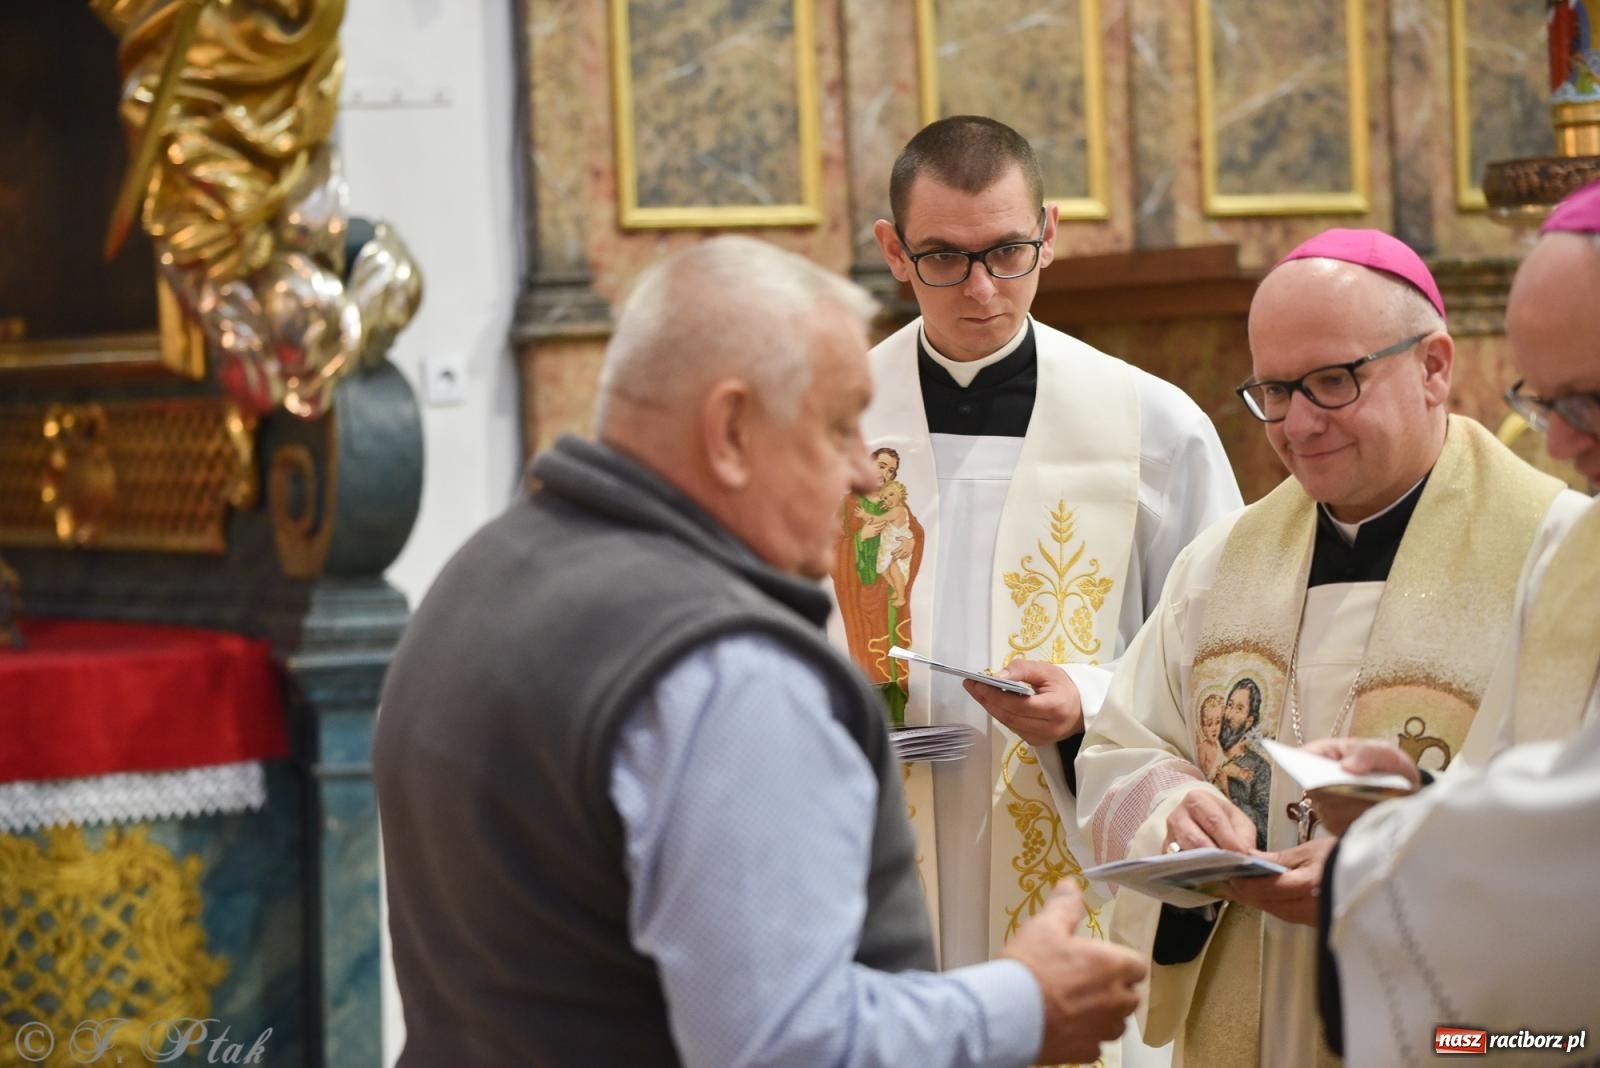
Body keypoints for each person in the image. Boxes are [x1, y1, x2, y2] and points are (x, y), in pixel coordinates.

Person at [373, 236, 1146, 1067]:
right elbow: (788, 1048)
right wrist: (1021, 1005)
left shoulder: (480, 574)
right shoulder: (727, 672)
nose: (864, 474)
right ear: (731, 430)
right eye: (840, 426)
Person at [1074, 226, 1592, 1066]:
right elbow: (1123, 745)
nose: (1299, 424)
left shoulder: (1562, 558)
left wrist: (1387, 860)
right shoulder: (1222, 561)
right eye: (1275, 391)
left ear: (1434, 367)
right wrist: (1176, 814)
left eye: (1332, 382)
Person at [829, 115, 1242, 1000]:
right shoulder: (834, 421)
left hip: (1071, 844)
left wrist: (1086, 701)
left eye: (1008, 252)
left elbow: (1223, 655)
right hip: (871, 838)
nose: (982, 288)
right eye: (944, 257)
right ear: (894, 252)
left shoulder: (1152, 427)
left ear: (1048, 234)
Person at [1306, 180, 1600, 1065]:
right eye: (1541, 402)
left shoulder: (1543, 531)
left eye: (1586, 403)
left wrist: (1371, 869)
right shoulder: (1579, 555)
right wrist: (1422, 801)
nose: (1559, 444)